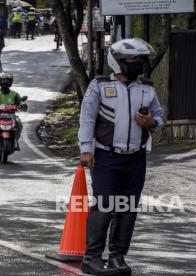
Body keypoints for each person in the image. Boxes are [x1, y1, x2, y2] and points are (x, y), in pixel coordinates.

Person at [78, 38, 164, 275]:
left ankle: (117, 257)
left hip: (136, 158)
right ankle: (92, 257)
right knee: (104, 206)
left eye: (140, 60)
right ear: (117, 62)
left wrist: (151, 122)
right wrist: (86, 149)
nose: (137, 64)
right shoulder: (99, 86)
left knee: (127, 209)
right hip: (106, 156)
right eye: (132, 60)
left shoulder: (147, 88)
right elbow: (87, 119)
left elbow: (159, 118)